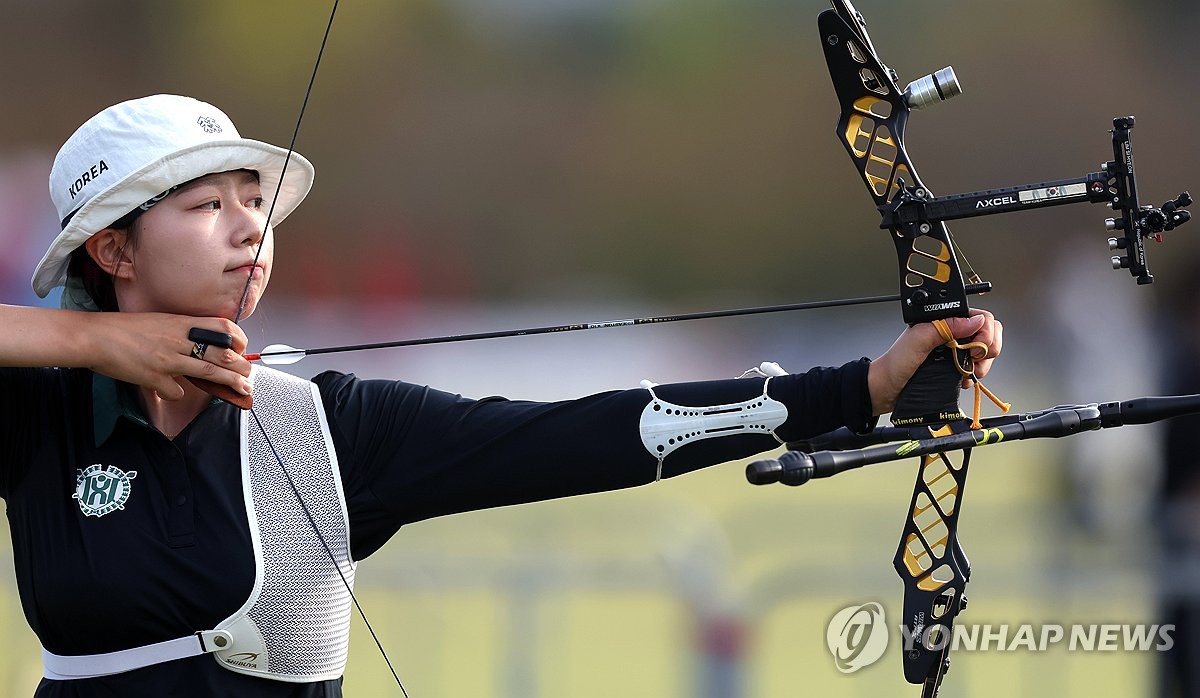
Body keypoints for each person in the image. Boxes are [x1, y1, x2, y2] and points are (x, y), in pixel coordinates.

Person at [0, 95, 1002, 697]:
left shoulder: (326, 424)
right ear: (113, 247)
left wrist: (861, 388)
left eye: (255, 201)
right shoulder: (39, 415)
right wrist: (94, 340)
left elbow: (586, 434)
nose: (248, 228)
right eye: (206, 203)